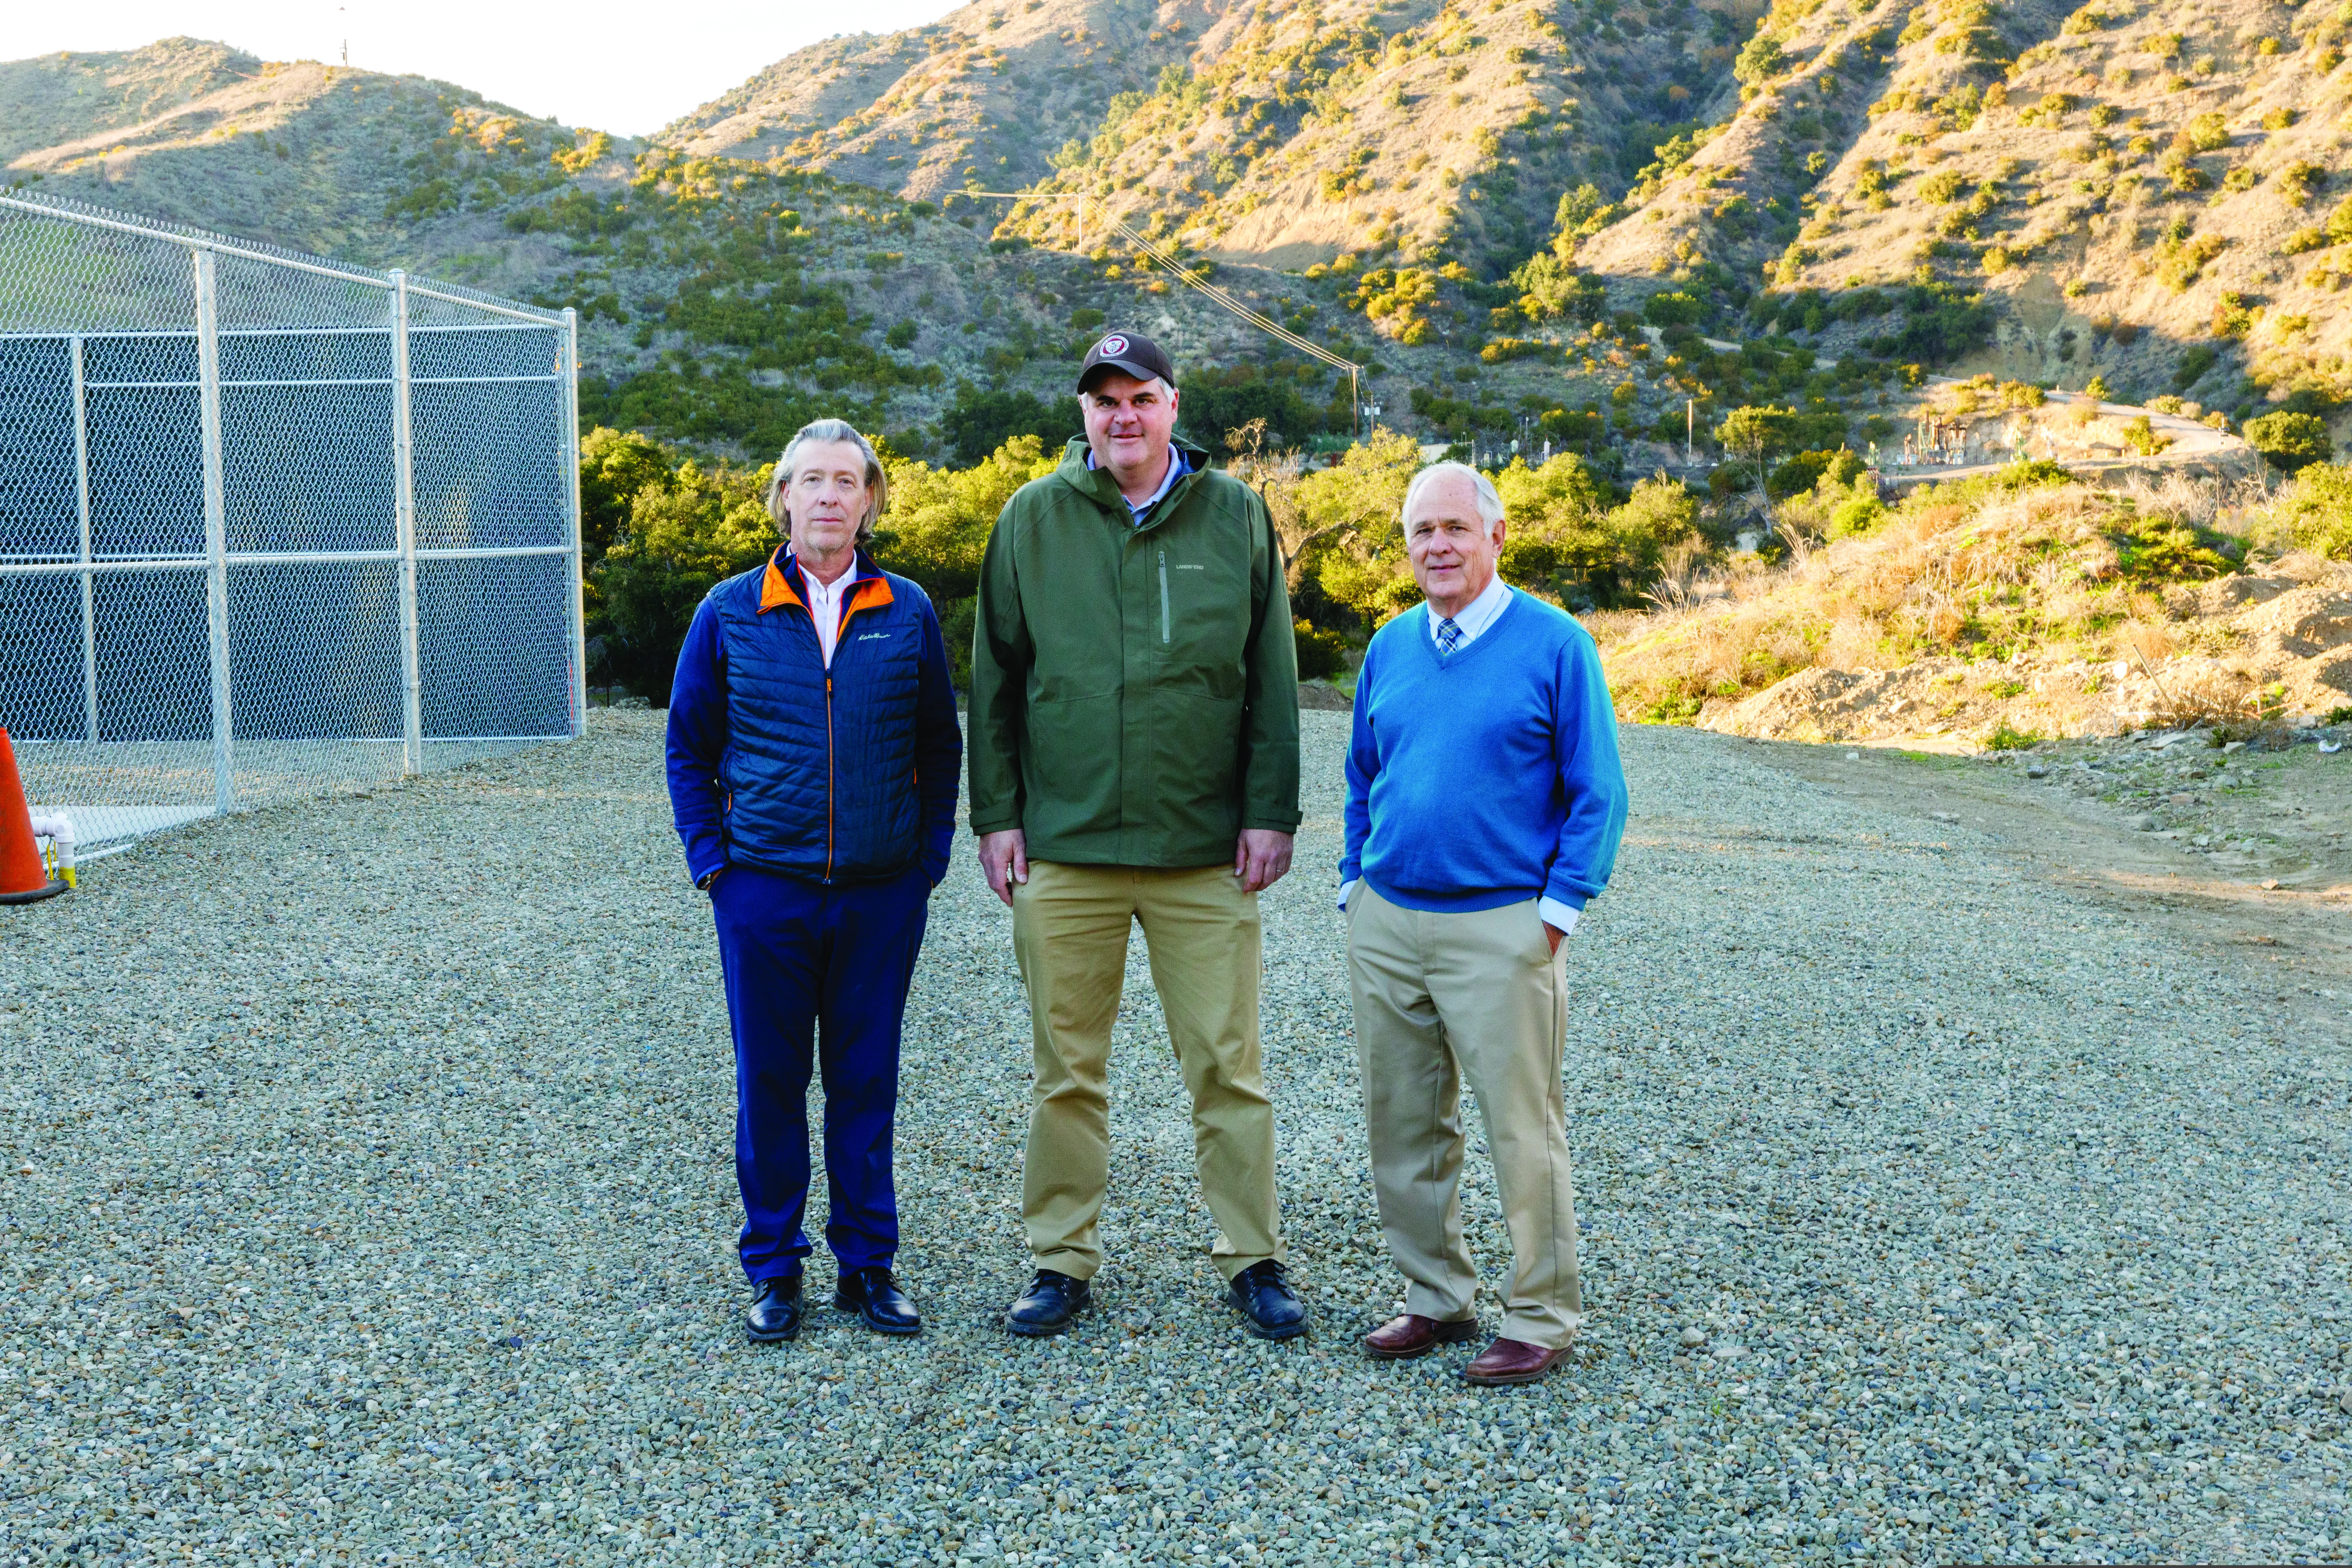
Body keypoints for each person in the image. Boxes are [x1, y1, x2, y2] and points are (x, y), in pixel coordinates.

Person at [968, 330, 1306, 1339]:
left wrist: (1269, 810)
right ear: (1083, 413)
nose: (1124, 415)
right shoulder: (1032, 519)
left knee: (1226, 1066)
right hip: (1066, 847)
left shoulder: (1237, 515)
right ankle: (1060, 1260)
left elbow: (1272, 679)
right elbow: (994, 679)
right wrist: (996, 817)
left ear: (1173, 406)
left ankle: (1252, 1257)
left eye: (1143, 397)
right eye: (1105, 399)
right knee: (1067, 1071)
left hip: (1202, 851)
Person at [666, 418, 963, 1345]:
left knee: (866, 1082)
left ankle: (869, 1266)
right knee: (772, 1084)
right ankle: (775, 1269)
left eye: (848, 481)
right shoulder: (728, 610)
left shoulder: (907, 608)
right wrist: (715, 866)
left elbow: (939, 747)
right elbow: (688, 749)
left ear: (872, 500)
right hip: (766, 895)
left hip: (880, 895)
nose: (830, 496)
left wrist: (926, 862)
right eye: (813, 481)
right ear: (783, 498)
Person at [1340, 461, 1628, 1387]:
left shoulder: (1555, 643)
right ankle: (1435, 1297)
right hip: (1390, 924)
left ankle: (1541, 1316)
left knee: (1521, 1128)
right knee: (1404, 1121)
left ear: (1497, 537)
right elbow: (1361, 777)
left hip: (1502, 928)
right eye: (1423, 531)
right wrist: (1355, 884)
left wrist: (1557, 912)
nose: (1438, 547)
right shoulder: (1389, 647)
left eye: (1456, 529)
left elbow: (1600, 793)